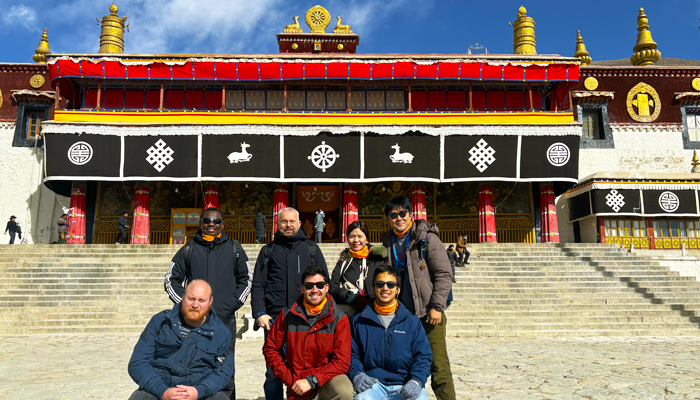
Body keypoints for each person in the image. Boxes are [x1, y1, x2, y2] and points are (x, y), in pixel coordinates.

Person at [164, 207, 252, 400]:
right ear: (200, 223)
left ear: (223, 224)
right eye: (207, 221)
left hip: (224, 319)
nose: (211, 224)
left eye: (216, 221)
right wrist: (187, 304)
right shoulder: (189, 249)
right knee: (190, 364)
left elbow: (246, 279)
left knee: (224, 366)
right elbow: (171, 279)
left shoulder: (234, 249)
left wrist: (233, 303)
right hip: (192, 322)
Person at [380, 196, 455, 399]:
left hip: (429, 313)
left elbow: (444, 273)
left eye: (403, 213)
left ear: (411, 214)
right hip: (403, 316)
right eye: (393, 215)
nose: (399, 218)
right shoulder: (388, 241)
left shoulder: (427, 238)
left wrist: (437, 307)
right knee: (403, 365)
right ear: (388, 219)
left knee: (438, 366)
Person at [251, 206, 328, 400]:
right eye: (284, 221)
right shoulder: (268, 250)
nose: (288, 225)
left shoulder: (311, 249)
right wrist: (260, 312)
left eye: (292, 221)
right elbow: (258, 283)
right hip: (275, 319)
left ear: (299, 224)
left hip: (305, 318)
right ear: (277, 224)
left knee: (305, 368)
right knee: (273, 370)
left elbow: (323, 282)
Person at [128, 280, 234, 400]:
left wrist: (199, 391)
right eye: (191, 299)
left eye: (201, 300)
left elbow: (223, 372)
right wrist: (162, 391)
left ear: (210, 302)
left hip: (199, 389)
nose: (195, 305)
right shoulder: (161, 322)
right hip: (160, 387)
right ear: (183, 297)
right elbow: (138, 363)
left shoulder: (221, 332)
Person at [263, 265, 353, 400]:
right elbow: (270, 348)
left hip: (326, 381)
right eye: (309, 285)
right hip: (298, 385)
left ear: (327, 288)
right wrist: (287, 377)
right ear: (302, 288)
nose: (315, 290)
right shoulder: (287, 316)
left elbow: (342, 362)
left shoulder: (339, 319)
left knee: (344, 391)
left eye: (320, 285)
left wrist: (313, 380)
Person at [349, 265, 432, 400]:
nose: (385, 288)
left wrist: (416, 381)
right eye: (380, 284)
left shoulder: (412, 322)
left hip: (405, 383)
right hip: (373, 385)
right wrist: (357, 374)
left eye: (391, 284)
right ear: (373, 288)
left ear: (398, 289)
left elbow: (423, 356)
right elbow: (351, 354)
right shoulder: (358, 321)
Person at [329, 221, 387, 318]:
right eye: (352, 236)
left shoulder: (379, 259)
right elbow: (332, 287)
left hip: (376, 312)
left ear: (367, 239)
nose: (356, 240)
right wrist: (350, 297)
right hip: (350, 315)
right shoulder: (344, 261)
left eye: (360, 236)